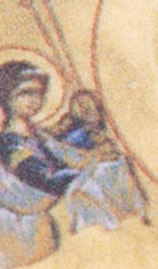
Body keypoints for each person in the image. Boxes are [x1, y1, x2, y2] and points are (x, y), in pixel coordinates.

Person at [0, 62, 82, 269]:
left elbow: (66, 162)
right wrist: (80, 174)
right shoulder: (7, 143)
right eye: (26, 93)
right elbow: (42, 179)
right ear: (5, 97)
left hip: (39, 225)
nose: (35, 100)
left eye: (40, 93)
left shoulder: (41, 138)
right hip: (9, 230)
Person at [57, 91, 150, 234]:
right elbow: (69, 150)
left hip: (106, 164)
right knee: (96, 181)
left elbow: (107, 148)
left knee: (122, 169)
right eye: (85, 110)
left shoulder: (97, 129)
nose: (91, 114)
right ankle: (110, 219)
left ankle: (137, 211)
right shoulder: (75, 131)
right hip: (88, 168)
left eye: (93, 109)